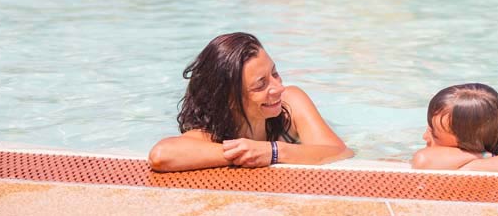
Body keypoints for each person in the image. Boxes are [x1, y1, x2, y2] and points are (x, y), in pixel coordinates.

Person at [148, 32, 352, 172]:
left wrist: (272, 152)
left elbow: (340, 152)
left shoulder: (291, 103)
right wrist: (246, 153)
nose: (278, 88)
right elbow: (161, 155)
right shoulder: (212, 135)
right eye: (260, 85)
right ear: (228, 99)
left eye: (274, 73)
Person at [410, 83, 498, 173]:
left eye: (434, 133)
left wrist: (467, 164)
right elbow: (423, 161)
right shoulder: (495, 160)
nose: (425, 136)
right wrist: (483, 156)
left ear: (469, 144)